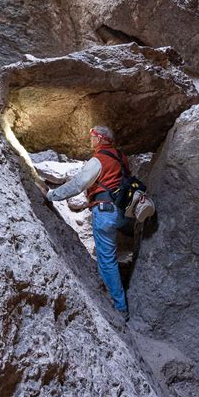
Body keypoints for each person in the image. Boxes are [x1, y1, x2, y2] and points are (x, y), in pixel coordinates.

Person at [46, 126, 131, 322]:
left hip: (105, 212)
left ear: (100, 139)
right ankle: (117, 298)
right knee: (111, 255)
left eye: (93, 137)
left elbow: (78, 184)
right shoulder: (121, 158)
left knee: (107, 260)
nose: (90, 140)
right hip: (121, 211)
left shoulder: (98, 160)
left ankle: (120, 309)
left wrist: (53, 195)